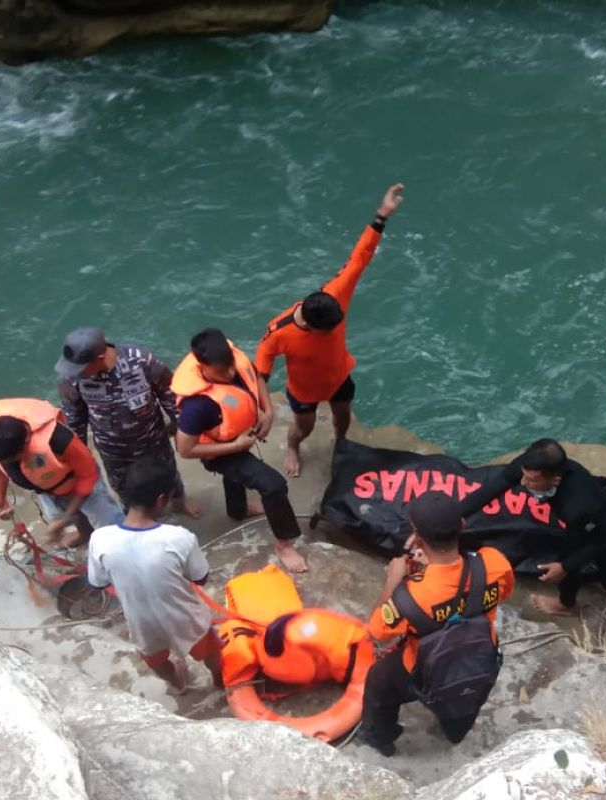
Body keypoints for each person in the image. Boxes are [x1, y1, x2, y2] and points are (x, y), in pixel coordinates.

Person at [254, 183, 405, 478]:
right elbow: (260, 372)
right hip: (305, 389)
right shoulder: (278, 332)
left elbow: (360, 256)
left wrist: (381, 216)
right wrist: (266, 409)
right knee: (304, 427)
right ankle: (293, 447)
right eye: (330, 330)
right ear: (310, 326)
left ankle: (341, 443)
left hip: (338, 375)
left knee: (343, 414)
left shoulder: (336, 294)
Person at [360, 492, 514, 756]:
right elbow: (503, 592)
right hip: (479, 657)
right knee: (466, 698)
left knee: (378, 680)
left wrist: (393, 581)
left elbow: (376, 632)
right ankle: (456, 730)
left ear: (416, 535)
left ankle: (380, 737)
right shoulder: (495, 563)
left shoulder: (410, 596)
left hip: (421, 670)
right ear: (462, 526)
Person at [173, 328, 308, 574]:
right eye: (222, 371)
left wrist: (268, 412)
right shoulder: (198, 405)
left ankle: (238, 509)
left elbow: (255, 379)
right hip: (218, 451)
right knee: (274, 485)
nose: (231, 373)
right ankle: (284, 545)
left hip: (241, 433)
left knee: (240, 475)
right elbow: (185, 448)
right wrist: (235, 446)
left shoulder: (234, 360)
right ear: (203, 367)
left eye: (231, 365)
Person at [87, 456, 222, 693]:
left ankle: (178, 682)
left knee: (156, 661)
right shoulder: (179, 537)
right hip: (185, 618)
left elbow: (98, 583)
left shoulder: (100, 539)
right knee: (212, 653)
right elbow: (201, 578)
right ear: (162, 500)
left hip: (142, 624)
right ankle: (221, 684)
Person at [460, 438, 606, 615]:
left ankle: (566, 604)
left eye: (532, 480)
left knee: (571, 558)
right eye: (523, 475)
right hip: (583, 515)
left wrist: (565, 567)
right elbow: (496, 486)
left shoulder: (578, 506)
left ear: (555, 479)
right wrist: (459, 514)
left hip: (597, 521)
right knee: (588, 554)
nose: (522, 483)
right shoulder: (530, 465)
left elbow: (602, 539)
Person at [54, 326, 200, 518]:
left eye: (80, 368)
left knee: (168, 474)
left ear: (100, 358)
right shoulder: (72, 380)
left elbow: (167, 391)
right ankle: (136, 519)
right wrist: (76, 456)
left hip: (152, 439)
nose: (76, 373)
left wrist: (183, 427)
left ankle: (179, 501)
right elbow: (75, 418)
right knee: (123, 487)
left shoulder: (140, 360)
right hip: (112, 449)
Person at [0, 397, 123, 547]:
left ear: (26, 441)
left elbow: (88, 476)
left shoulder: (59, 440)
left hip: (79, 480)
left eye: (11, 459)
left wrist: (65, 520)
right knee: (60, 514)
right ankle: (84, 533)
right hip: (47, 488)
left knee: (107, 520)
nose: (6, 463)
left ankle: (122, 547)